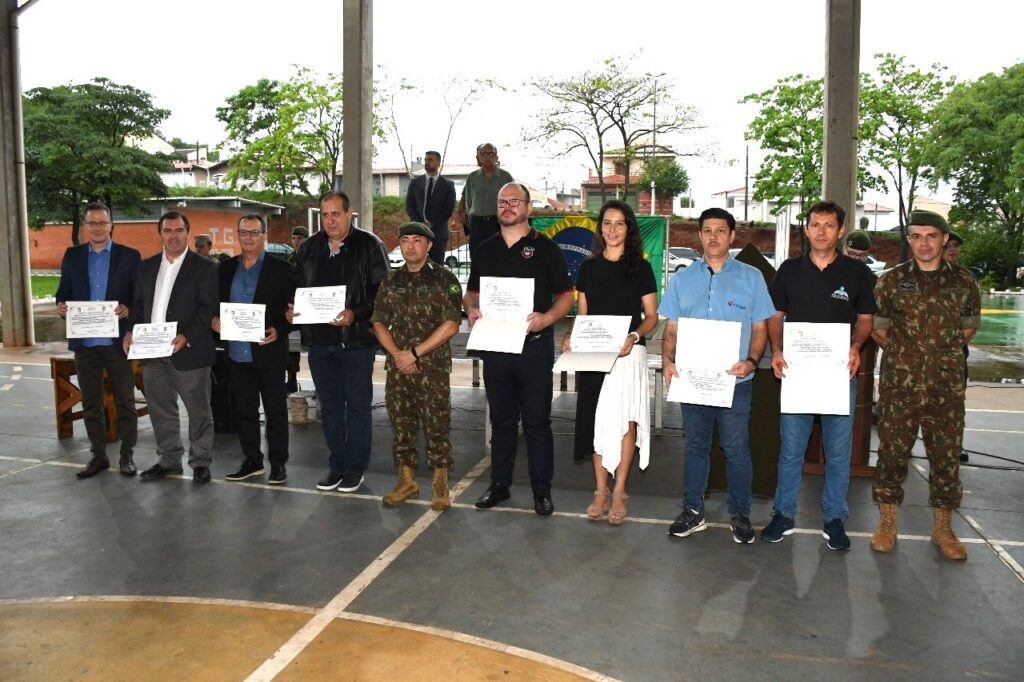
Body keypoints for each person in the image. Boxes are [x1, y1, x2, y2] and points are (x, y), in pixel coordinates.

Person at [761, 200, 876, 550]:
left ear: (840, 231)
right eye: (815, 224)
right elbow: (776, 316)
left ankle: (834, 519)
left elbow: (867, 320)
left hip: (838, 375)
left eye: (829, 225)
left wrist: (856, 346)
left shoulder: (858, 274)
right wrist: (777, 351)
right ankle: (783, 515)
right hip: (797, 373)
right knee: (791, 451)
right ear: (807, 229)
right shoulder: (789, 270)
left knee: (837, 453)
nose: (821, 231)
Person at [870, 211, 981, 560]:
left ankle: (943, 528)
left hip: (945, 386)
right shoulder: (891, 281)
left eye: (931, 236)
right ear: (909, 240)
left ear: (945, 239)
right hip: (899, 386)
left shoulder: (964, 282)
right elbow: (878, 326)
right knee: (892, 453)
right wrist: (907, 354)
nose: (924, 243)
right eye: (916, 236)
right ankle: (887, 523)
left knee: (946, 456)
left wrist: (937, 354)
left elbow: (968, 326)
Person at [659, 208, 776, 543]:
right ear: (699, 236)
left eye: (720, 230)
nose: (713, 236)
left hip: (735, 382)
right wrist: (668, 360)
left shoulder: (751, 277)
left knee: (736, 448)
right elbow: (672, 328)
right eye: (707, 230)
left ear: (732, 236)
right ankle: (693, 511)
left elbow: (760, 327)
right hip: (693, 382)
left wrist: (752, 361)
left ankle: (740, 515)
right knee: (695, 446)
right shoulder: (682, 279)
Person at [464, 182, 573, 515]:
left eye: (515, 201)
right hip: (495, 347)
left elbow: (567, 297)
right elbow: (471, 293)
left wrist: (547, 318)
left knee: (537, 422)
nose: (507, 206)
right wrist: (471, 309)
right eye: (502, 202)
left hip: (534, 347)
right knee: (502, 421)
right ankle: (500, 485)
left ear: (529, 208)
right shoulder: (484, 249)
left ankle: (542, 491)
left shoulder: (547, 249)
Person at [561, 200, 658, 525]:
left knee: (624, 422)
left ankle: (620, 492)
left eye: (619, 223)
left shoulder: (641, 267)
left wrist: (633, 336)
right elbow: (583, 313)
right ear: (600, 228)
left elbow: (652, 317)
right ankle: (600, 491)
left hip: (629, 353)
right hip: (594, 354)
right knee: (597, 420)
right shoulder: (589, 268)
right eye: (607, 223)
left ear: (629, 229)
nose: (612, 229)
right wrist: (571, 335)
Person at [288, 191, 389, 493]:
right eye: (325, 214)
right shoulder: (309, 247)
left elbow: (383, 294)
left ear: (349, 214)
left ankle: (356, 469)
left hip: (355, 343)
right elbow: (293, 283)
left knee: (357, 407)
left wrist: (355, 314)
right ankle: (337, 466)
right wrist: (291, 307)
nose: (330, 220)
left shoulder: (369, 245)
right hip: (319, 344)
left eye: (335, 214)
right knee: (330, 408)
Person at [371, 221, 462, 510]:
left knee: (436, 424)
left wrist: (414, 354)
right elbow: (378, 321)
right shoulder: (391, 281)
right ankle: (407, 480)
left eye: (417, 240)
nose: (410, 245)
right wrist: (399, 354)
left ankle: (440, 481)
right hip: (398, 366)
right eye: (405, 240)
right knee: (402, 424)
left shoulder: (444, 279)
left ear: (429, 245)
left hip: (431, 368)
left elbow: (451, 325)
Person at [126, 211, 218, 483]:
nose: (173, 236)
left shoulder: (205, 267)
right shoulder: (147, 266)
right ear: (160, 234)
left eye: (178, 230)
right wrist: (131, 331)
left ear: (187, 232)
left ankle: (200, 461)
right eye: (167, 230)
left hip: (189, 352)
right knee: (161, 409)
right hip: (153, 354)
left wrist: (187, 336)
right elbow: (138, 304)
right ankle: (169, 460)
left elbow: (207, 309)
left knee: (199, 410)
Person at [55, 202, 141, 479]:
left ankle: (127, 455)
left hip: (117, 343)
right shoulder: (73, 256)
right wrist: (61, 307)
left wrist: (128, 309)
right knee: (90, 403)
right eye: (92, 223)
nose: (97, 228)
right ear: (85, 226)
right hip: (85, 344)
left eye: (102, 222)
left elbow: (139, 298)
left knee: (126, 401)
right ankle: (98, 456)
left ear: (111, 224)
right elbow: (62, 293)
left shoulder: (129, 256)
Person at [212, 214, 295, 485]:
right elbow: (214, 305)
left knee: (275, 410)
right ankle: (252, 461)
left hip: (269, 352)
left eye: (254, 232)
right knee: (244, 411)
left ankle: (279, 464)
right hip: (236, 354)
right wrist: (214, 320)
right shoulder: (225, 270)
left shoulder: (281, 270)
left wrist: (279, 330)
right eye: (243, 233)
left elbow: (293, 311)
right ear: (238, 235)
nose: (248, 237)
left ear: (264, 235)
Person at [452, 143, 514, 255]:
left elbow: (515, 201)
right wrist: (463, 217)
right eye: (484, 154)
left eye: (491, 153)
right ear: (478, 158)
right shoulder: (472, 177)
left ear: (496, 157)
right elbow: (464, 199)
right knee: (476, 257)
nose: (487, 157)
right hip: (477, 224)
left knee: (499, 257)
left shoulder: (506, 177)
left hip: (499, 224)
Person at [405, 150, 457, 265]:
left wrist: (432, 224)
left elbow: (448, 210)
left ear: (438, 163)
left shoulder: (448, 185)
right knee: (416, 266)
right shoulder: (415, 183)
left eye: (430, 160)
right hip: (418, 232)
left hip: (438, 234)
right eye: (425, 160)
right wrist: (420, 224)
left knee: (436, 268)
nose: (426, 162)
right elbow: (410, 206)